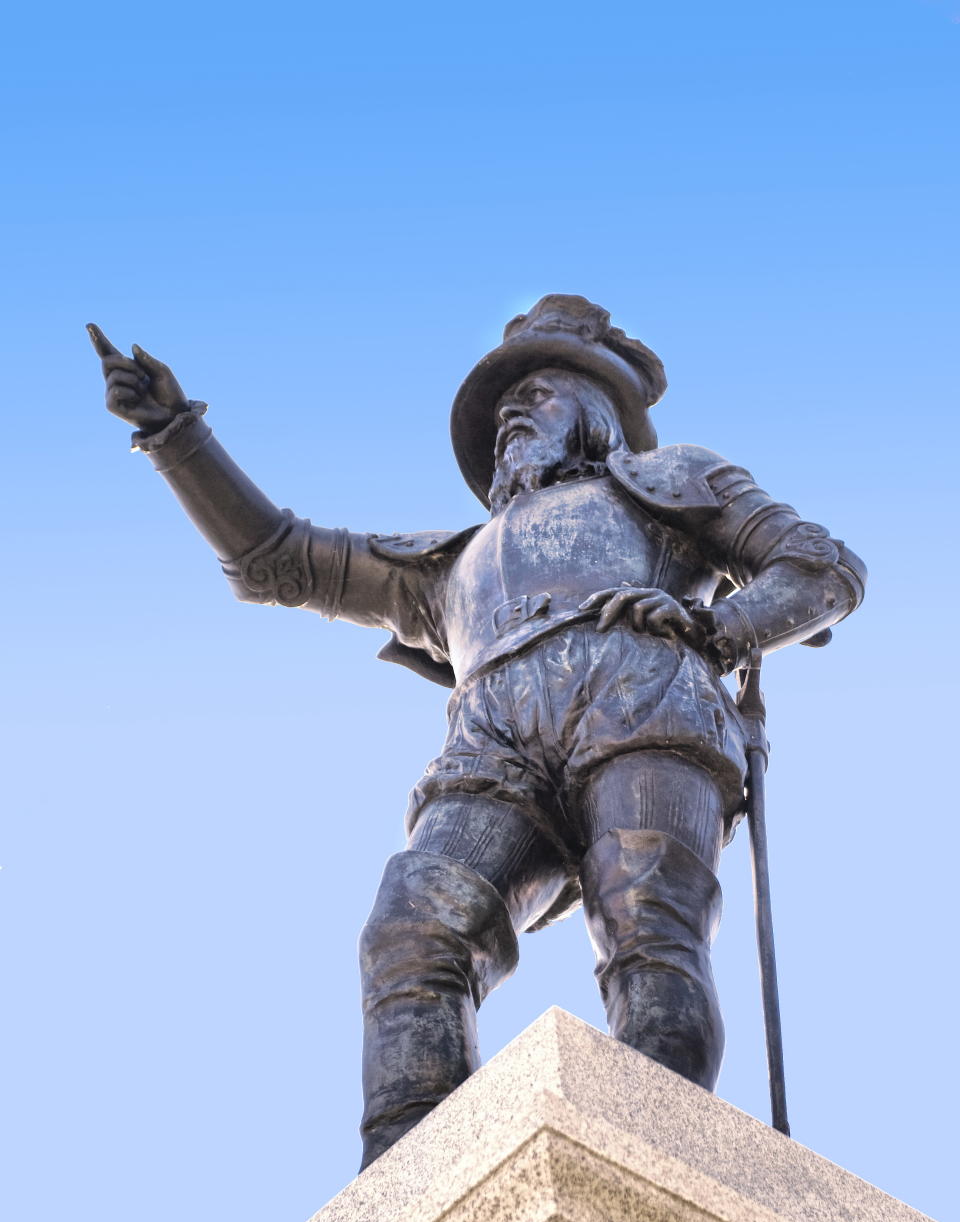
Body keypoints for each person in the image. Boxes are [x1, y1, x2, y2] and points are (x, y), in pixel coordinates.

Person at [89, 295, 865, 1169]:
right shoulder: (448, 565)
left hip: (641, 697)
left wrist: (717, 629)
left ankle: (657, 1156)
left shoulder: (670, 480)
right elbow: (277, 559)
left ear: (597, 409)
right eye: (501, 411)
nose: (510, 418)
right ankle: (398, 1193)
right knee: (412, 928)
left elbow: (821, 568)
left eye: (535, 393)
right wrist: (174, 437)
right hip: (490, 739)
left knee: (645, 915)